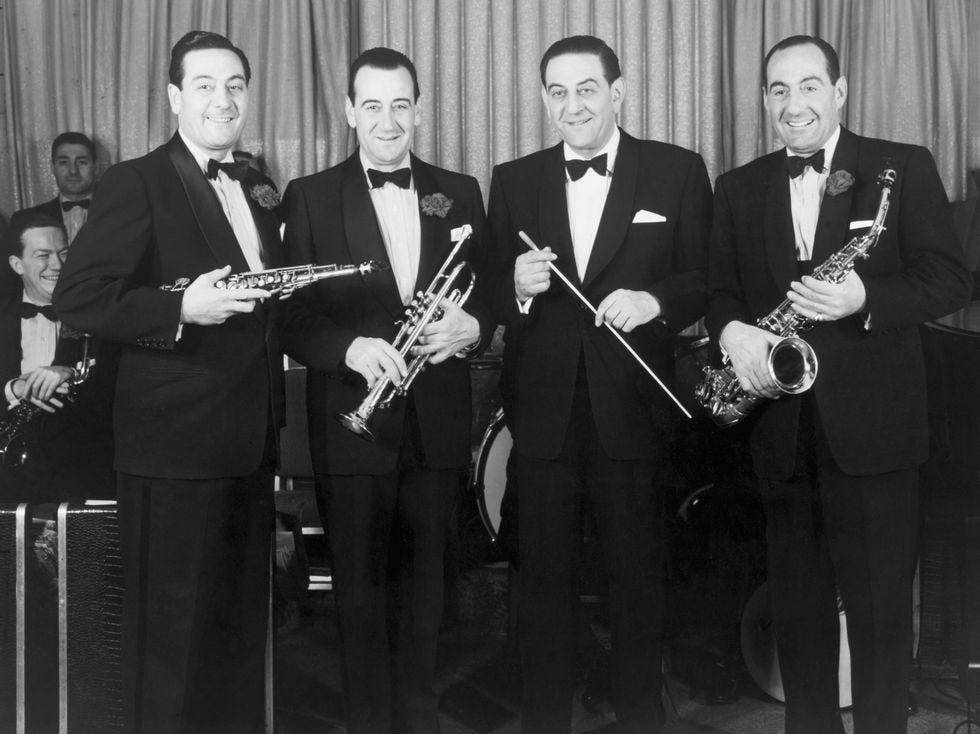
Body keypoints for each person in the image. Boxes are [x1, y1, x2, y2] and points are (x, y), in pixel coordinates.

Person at [705, 35, 972, 734]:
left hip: (877, 435)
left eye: (809, 87)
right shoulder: (738, 187)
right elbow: (721, 292)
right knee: (798, 617)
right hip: (782, 434)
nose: (794, 105)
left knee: (883, 617)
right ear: (765, 99)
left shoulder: (901, 168)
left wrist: (865, 299)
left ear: (841, 89)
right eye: (778, 91)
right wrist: (731, 330)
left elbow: (951, 276)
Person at [53, 30, 295, 733]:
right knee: (170, 658)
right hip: (173, 455)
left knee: (235, 647)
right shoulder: (138, 179)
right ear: (172, 97)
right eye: (204, 86)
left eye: (235, 86)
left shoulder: (255, 182)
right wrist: (182, 307)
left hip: (248, 450)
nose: (223, 100)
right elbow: (80, 297)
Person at [486, 35, 712, 733]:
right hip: (545, 419)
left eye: (587, 88)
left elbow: (706, 277)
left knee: (638, 585)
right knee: (543, 588)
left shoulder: (676, 170)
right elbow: (488, 290)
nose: (572, 104)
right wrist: (515, 289)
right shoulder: (514, 179)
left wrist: (657, 302)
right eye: (557, 91)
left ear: (617, 93)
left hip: (635, 414)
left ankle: (642, 718)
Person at [280, 47, 494, 734]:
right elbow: (289, 315)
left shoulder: (459, 190)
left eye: (400, 103)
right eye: (372, 105)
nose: (387, 119)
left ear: (420, 109)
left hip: (435, 422)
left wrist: (474, 325)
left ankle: (420, 715)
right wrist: (349, 346)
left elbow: (486, 290)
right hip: (353, 418)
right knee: (361, 591)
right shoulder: (309, 196)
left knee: (429, 587)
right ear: (349, 112)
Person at [0, 211, 115, 502]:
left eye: (63, 253)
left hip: (84, 482)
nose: (58, 265)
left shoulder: (99, 316)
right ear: (17, 264)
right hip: (9, 486)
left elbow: (118, 392)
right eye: (43, 255)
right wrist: (14, 389)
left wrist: (72, 374)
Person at [1, 132, 99, 298]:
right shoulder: (23, 220)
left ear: (95, 167)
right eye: (63, 162)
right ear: (52, 167)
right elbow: (9, 282)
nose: (73, 170)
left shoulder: (121, 215)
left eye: (82, 162)